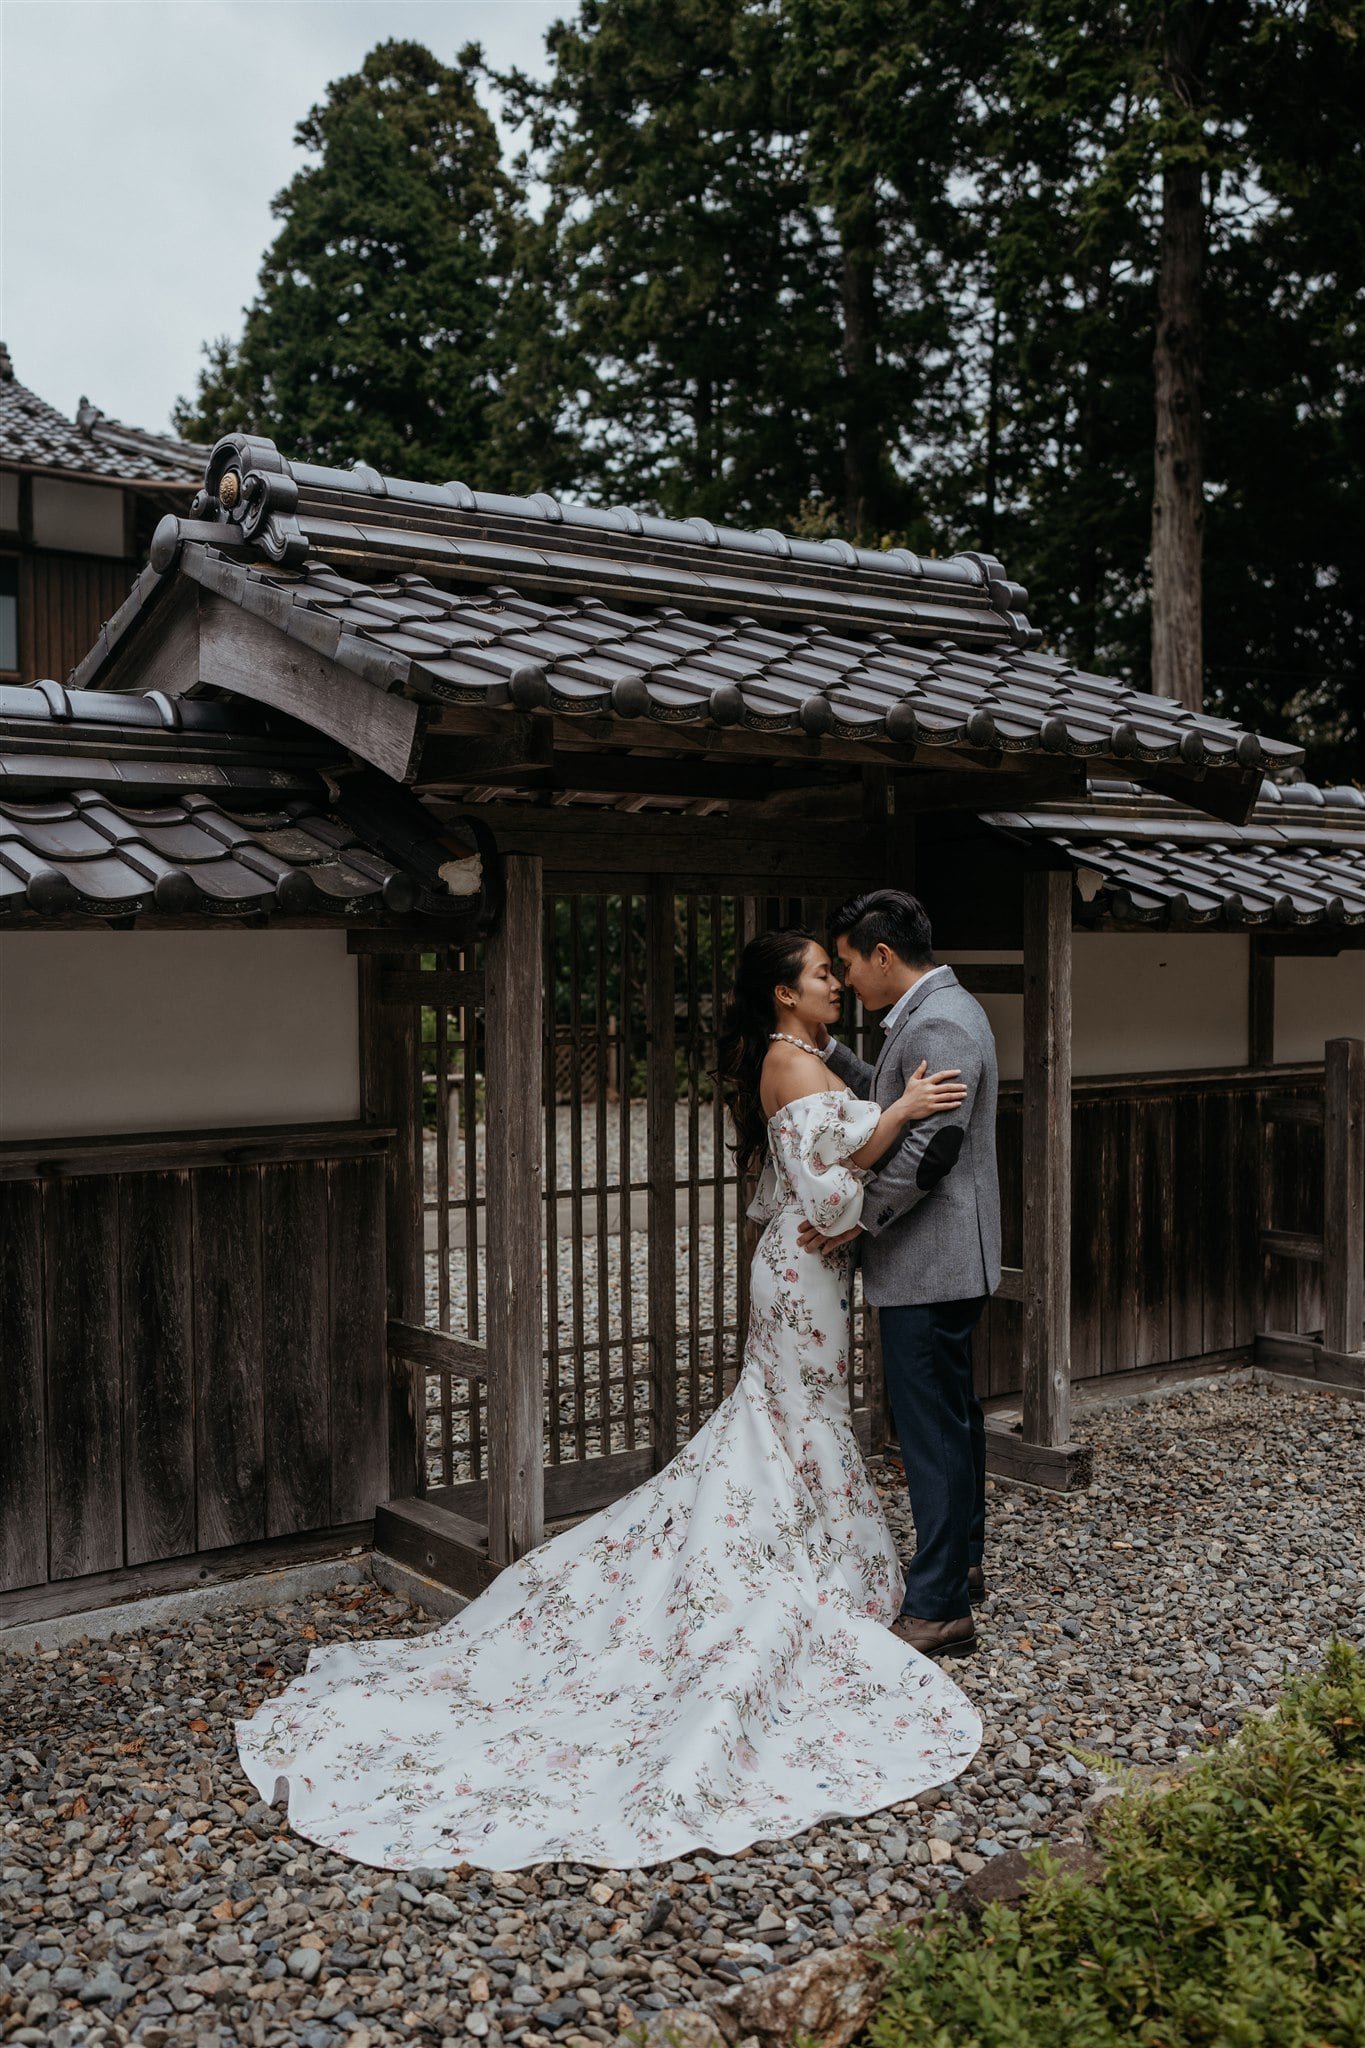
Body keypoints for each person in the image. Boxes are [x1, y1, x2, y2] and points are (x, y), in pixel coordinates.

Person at [234, 929, 981, 1872]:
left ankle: (807, 1547)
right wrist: (904, 1107)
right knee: (791, 1418)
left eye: (837, 971)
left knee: (799, 1419)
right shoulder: (786, 1068)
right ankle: (774, 1560)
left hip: (812, 1278)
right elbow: (827, 1201)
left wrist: (885, 1108)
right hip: (803, 1270)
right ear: (785, 996)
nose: (836, 984)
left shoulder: (805, 1057)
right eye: (822, 975)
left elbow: (835, 1171)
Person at [798, 891, 1001, 1661]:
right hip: (946, 1258)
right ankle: (963, 1564)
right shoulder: (939, 1010)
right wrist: (831, 1058)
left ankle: (939, 1606)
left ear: (882, 955)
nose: (844, 978)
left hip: (929, 1259)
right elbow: (896, 1102)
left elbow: (928, 1155)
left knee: (930, 1433)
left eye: (846, 962)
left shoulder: (940, 1020)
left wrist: (853, 1219)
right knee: (951, 1418)